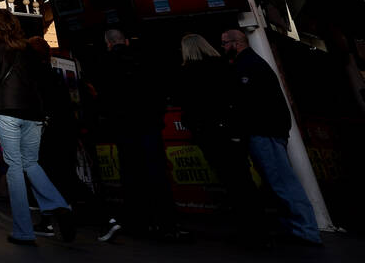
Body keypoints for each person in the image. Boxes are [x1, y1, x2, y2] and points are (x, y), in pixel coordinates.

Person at [0, 11, 75, 246]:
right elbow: (40, 81)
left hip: (7, 110)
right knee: (31, 163)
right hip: (33, 112)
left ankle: (23, 230)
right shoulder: (28, 48)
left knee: (14, 166)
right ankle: (58, 205)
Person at [220, 28, 321, 246]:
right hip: (267, 131)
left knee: (283, 182)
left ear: (236, 43)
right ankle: (296, 228)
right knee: (278, 183)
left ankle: (305, 230)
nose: (223, 48)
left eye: (224, 43)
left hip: (264, 132)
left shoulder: (248, 66)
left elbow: (249, 103)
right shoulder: (251, 63)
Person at [94, 28, 182, 241]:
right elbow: (159, 89)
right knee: (157, 173)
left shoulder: (104, 65)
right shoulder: (143, 59)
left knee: (132, 175)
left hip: (125, 127)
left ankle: (139, 222)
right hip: (148, 124)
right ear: (125, 41)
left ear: (108, 44)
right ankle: (167, 223)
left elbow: (103, 98)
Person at [177, 33, 260, 236]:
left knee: (229, 179)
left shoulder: (188, 72)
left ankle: (246, 228)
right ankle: (256, 226)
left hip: (210, 133)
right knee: (242, 177)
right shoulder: (224, 66)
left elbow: (189, 106)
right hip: (232, 130)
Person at [26, 35, 87, 234]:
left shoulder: (35, 77)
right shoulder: (57, 74)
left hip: (49, 132)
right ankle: (50, 220)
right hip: (66, 130)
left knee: (49, 175)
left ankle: (104, 218)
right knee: (58, 175)